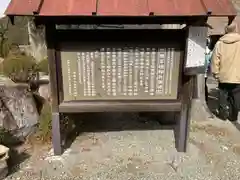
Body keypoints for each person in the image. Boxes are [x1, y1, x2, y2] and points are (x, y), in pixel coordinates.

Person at [211, 22, 240, 121]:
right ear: (236, 29)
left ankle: (223, 114)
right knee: (236, 97)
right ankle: (234, 115)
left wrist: (215, 72)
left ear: (226, 31)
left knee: (223, 95)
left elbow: (215, 59)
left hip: (223, 75)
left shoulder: (220, 43)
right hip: (237, 76)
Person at [205, 37, 213, 104]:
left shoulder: (200, 50)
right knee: (205, 84)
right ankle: (206, 99)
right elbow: (211, 62)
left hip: (200, 70)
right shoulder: (210, 52)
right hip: (206, 71)